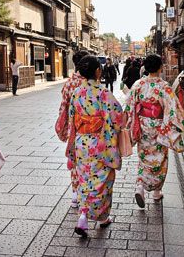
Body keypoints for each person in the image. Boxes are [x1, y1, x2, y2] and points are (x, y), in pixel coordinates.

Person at [124, 54, 184, 208]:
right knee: (160, 159)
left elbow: (129, 106)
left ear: (145, 68)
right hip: (160, 127)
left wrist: (125, 123)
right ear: (160, 67)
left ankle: (140, 186)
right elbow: (174, 108)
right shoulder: (163, 86)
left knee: (144, 157)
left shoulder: (138, 84)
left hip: (142, 125)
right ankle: (156, 192)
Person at [68, 55, 123, 237]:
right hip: (100, 143)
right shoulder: (103, 93)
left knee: (84, 180)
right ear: (98, 71)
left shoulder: (76, 92)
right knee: (103, 181)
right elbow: (116, 117)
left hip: (81, 142)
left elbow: (72, 119)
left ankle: (83, 216)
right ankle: (102, 218)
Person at [55, 49, 89, 208]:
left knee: (74, 159)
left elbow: (63, 107)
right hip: (89, 128)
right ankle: (87, 191)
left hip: (72, 127)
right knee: (88, 160)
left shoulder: (69, 83)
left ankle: (75, 193)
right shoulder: (88, 83)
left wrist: (64, 127)